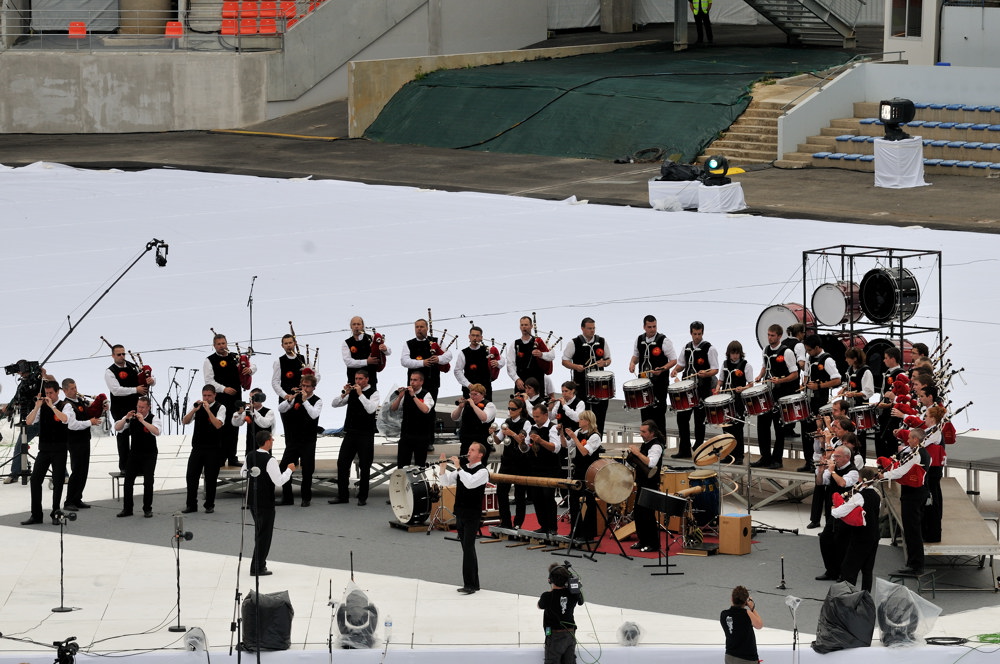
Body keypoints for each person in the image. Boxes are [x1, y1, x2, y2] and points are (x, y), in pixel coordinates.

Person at [437, 442, 490, 594]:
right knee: (467, 548)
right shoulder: (463, 469)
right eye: (469, 449)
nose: (469, 452)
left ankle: (470, 584)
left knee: (468, 547)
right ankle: (474, 583)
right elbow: (446, 482)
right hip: (460, 512)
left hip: (472, 514)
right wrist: (442, 469)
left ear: (480, 454)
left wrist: (459, 467)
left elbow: (470, 484)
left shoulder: (483, 471)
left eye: (472, 450)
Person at [243, 431, 295, 576]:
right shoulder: (270, 460)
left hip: (253, 500)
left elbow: (243, 473)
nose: (273, 440)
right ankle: (257, 567)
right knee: (264, 535)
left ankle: (259, 564)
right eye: (271, 439)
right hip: (265, 501)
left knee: (259, 532)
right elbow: (278, 481)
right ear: (266, 441)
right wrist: (289, 471)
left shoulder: (250, 455)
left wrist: (253, 473)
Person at [879, 428, 930, 574]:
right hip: (919, 493)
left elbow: (901, 471)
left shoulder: (916, 455)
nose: (907, 441)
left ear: (915, 439)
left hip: (912, 496)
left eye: (909, 438)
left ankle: (915, 565)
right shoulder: (924, 453)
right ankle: (914, 562)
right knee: (913, 529)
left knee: (911, 529)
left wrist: (883, 475)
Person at [328, 368, 379, 506]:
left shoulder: (373, 392)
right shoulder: (351, 393)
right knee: (342, 463)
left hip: (365, 434)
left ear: (367, 379)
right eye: (356, 379)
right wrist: (344, 394)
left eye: (360, 379)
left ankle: (362, 497)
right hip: (350, 433)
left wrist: (360, 394)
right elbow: (334, 404)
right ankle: (342, 495)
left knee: (365, 465)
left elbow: (371, 409)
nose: (357, 381)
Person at [21, 380, 69, 526]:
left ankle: (56, 512)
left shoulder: (64, 405)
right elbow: (28, 422)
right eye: (46, 393)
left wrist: (52, 406)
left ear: (57, 392)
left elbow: (64, 419)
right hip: (45, 449)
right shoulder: (41, 407)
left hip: (60, 449)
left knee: (58, 481)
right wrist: (37, 407)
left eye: (51, 393)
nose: (48, 395)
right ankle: (36, 515)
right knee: (35, 480)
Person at [204, 333, 254, 467]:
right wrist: (223, 389)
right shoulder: (209, 360)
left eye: (223, 343)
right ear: (214, 346)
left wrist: (249, 370)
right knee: (220, 428)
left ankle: (232, 457)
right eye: (218, 344)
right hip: (220, 399)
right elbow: (209, 381)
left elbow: (252, 366)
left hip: (236, 398)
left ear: (227, 344)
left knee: (234, 426)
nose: (221, 346)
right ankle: (219, 458)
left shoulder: (235, 357)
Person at [752, 324, 798, 469]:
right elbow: (765, 365)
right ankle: (765, 457)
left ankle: (777, 459)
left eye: (772, 335)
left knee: (779, 429)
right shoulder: (765, 350)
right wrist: (760, 375)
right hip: (767, 394)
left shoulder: (787, 352)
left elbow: (795, 374)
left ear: (779, 336)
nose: (769, 337)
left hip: (781, 393)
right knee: (762, 426)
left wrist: (781, 380)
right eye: (768, 335)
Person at [670, 321, 718, 459]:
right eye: (695, 334)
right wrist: (675, 370)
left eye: (699, 334)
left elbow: (715, 369)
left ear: (702, 333)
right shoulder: (686, 347)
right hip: (687, 390)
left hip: (702, 388)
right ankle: (684, 449)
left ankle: (698, 448)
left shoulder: (710, 348)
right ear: (691, 333)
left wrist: (706, 374)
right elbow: (681, 364)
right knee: (682, 418)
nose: (697, 337)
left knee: (699, 420)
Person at [401, 317, 452, 448]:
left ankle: (429, 440)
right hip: (414, 385)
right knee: (410, 410)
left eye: (422, 327)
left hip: (432, 383)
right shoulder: (409, 344)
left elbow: (448, 355)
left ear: (427, 328)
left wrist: (438, 359)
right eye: (417, 327)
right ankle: (408, 438)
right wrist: (422, 363)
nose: (419, 329)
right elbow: (404, 361)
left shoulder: (436, 342)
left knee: (429, 411)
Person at [831, 468, 881, 592]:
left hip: (861, 536)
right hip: (874, 535)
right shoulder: (876, 494)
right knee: (867, 570)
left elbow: (840, 512)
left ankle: (848, 597)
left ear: (860, 479)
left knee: (849, 568)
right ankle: (865, 597)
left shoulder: (859, 496)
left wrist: (833, 509)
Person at [105, 344, 152, 474]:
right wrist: (135, 390)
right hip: (120, 408)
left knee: (139, 436)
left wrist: (151, 381)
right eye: (119, 354)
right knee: (123, 437)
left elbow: (142, 378)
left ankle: (139, 465)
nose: (122, 357)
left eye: (123, 354)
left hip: (136, 406)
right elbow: (115, 390)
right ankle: (125, 466)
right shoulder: (110, 371)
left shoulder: (132, 366)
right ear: (113, 355)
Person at [276, 374, 322, 507]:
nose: (305, 388)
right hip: (293, 440)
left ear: (313, 387)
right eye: (303, 385)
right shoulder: (295, 397)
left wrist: (305, 400)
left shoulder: (317, 400)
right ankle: (287, 498)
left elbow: (314, 415)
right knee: (284, 467)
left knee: (307, 470)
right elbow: (281, 409)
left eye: (307, 386)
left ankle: (306, 498)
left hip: (308, 440)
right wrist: (290, 399)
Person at [628, 314, 677, 434]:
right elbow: (636, 356)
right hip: (643, 384)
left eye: (654, 326)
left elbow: (674, 360)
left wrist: (663, 369)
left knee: (659, 413)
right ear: (644, 327)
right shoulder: (639, 339)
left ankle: (661, 442)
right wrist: (632, 363)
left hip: (659, 383)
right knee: (645, 413)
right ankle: (647, 442)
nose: (652, 329)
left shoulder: (664, 340)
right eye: (649, 327)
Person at [816, 445, 859, 581]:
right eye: (834, 456)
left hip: (846, 512)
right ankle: (831, 570)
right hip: (833, 511)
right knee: (825, 538)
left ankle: (843, 572)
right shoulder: (832, 469)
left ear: (847, 457)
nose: (835, 459)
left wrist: (832, 471)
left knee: (842, 542)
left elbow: (843, 483)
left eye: (838, 456)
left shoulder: (853, 472)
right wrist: (821, 471)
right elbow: (820, 483)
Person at [562, 317, 612, 434]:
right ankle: (582, 437)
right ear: (582, 328)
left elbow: (608, 359)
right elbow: (564, 361)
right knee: (583, 413)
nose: (592, 331)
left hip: (599, 385)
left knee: (599, 413)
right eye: (589, 328)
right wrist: (575, 367)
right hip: (581, 384)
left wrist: (604, 363)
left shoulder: (602, 341)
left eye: (593, 328)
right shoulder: (573, 342)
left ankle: (597, 439)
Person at [113, 396, 160, 518]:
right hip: (134, 453)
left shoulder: (153, 418)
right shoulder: (132, 417)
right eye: (139, 406)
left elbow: (156, 431)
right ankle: (127, 509)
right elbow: (117, 428)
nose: (140, 409)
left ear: (148, 407)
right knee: (128, 481)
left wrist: (143, 421)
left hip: (149, 454)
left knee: (148, 481)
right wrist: (126, 419)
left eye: (143, 407)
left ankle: (147, 509)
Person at [181, 385, 226, 514]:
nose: (206, 398)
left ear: (214, 395)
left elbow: (218, 424)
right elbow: (185, 421)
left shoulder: (220, 407)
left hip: (213, 449)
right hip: (198, 447)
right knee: (191, 476)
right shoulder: (197, 406)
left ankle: (209, 504)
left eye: (209, 396)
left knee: (211, 477)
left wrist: (208, 410)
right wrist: (194, 410)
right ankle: (191, 505)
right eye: (204, 395)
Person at [800, 334, 842, 472]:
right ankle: (808, 461)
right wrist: (805, 383)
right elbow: (806, 373)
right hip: (808, 399)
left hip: (820, 400)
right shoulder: (809, 357)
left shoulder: (827, 360)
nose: (808, 352)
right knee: (806, 430)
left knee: (818, 433)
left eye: (810, 350)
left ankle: (820, 463)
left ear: (817, 347)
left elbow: (837, 380)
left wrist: (819, 386)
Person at [489, 397, 531, 530]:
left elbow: (523, 442)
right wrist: (493, 433)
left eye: (513, 409)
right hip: (507, 461)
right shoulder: (506, 422)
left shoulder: (526, 423)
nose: (510, 411)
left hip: (520, 462)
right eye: (509, 408)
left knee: (519, 494)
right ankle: (505, 521)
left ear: (520, 410)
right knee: (501, 491)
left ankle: (518, 522)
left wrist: (512, 433)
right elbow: (497, 441)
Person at [61, 378, 102, 511]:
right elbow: (73, 425)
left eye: (75, 387)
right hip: (74, 441)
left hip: (84, 439)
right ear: (65, 390)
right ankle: (69, 501)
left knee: (84, 470)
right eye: (72, 389)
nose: (75, 390)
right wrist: (90, 422)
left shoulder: (80, 401)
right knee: (77, 470)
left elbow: (90, 411)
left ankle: (77, 498)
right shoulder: (67, 405)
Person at [561, 410, 602, 542]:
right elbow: (566, 446)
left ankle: (589, 533)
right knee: (574, 500)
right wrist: (562, 434)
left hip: (589, 471)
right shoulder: (578, 432)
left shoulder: (595, 436)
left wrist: (574, 437)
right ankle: (575, 530)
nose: (579, 421)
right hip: (578, 470)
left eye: (581, 419)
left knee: (589, 501)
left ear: (587, 421)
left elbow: (585, 451)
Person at [271, 333, 319, 441]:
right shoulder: (279, 361)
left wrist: (310, 385)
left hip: (304, 399)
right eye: (286, 343)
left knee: (304, 430)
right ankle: (292, 457)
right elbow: (275, 382)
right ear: (282, 346)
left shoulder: (303, 360)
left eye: (290, 343)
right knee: (289, 431)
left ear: (295, 343)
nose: (288, 345)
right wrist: (285, 396)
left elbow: (317, 376)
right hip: (287, 401)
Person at [3, 361, 44, 483]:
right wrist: (9, 408)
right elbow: (16, 398)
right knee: (20, 446)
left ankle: (63, 475)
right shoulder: (22, 385)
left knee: (50, 448)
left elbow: (43, 384)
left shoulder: (37, 380)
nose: (17, 371)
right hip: (28, 421)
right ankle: (15, 474)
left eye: (19, 368)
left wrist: (38, 373)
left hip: (42, 419)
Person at [629, 420, 665, 552]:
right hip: (642, 483)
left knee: (648, 514)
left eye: (644, 432)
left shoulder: (656, 446)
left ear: (652, 432)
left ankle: (653, 544)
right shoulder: (646, 444)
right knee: (638, 513)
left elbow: (651, 463)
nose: (641, 434)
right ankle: (642, 540)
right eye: (640, 431)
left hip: (650, 484)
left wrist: (637, 453)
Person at [539, 564, 584, 664]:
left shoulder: (547, 596)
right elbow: (581, 601)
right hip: (570, 633)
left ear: (550, 580)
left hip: (554, 635)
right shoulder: (573, 594)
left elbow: (539, 605)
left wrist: (552, 590)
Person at [527, 403, 561, 534]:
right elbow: (525, 446)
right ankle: (543, 525)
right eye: (534, 416)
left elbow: (555, 448)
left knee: (548, 496)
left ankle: (552, 527)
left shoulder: (552, 428)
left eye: (537, 416)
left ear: (545, 415)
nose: (535, 419)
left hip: (550, 468)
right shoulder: (532, 427)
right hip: (535, 467)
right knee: (536, 497)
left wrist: (541, 441)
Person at [391, 370, 435, 467]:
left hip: (421, 436)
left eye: (415, 380)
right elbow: (393, 408)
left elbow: (425, 409)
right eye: (411, 380)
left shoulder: (426, 394)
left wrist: (413, 396)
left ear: (421, 382)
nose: (412, 382)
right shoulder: (405, 394)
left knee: (419, 465)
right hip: (406, 435)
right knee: (402, 465)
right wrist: (399, 397)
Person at [718, 341, 752, 464]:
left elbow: (750, 384)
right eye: (733, 353)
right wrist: (717, 387)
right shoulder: (725, 364)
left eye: (737, 353)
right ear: (729, 353)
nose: (735, 356)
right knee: (726, 429)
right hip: (726, 400)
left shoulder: (745, 365)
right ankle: (728, 454)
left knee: (738, 429)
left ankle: (739, 456)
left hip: (738, 401)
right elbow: (721, 380)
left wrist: (742, 388)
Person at [840, 347, 874, 461]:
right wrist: (844, 389)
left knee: (860, 435)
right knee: (850, 434)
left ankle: (861, 460)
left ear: (854, 359)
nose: (845, 360)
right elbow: (850, 383)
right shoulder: (850, 369)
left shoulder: (866, 371)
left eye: (847, 358)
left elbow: (868, 391)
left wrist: (855, 394)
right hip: (851, 406)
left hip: (860, 407)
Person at [453, 326, 503, 402]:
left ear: (481, 338)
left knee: (486, 411)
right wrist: (468, 385)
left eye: (477, 336)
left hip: (485, 389)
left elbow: (502, 359)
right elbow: (457, 371)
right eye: (473, 335)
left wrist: (497, 363)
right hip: (469, 390)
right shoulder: (463, 353)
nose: (475, 338)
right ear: (469, 337)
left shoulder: (488, 350)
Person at [508, 315, 554, 395]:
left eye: (526, 325)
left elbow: (552, 355)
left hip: (537, 382)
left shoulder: (540, 341)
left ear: (531, 326)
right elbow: (510, 364)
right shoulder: (515, 344)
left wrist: (541, 354)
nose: (524, 327)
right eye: (522, 325)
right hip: (521, 383)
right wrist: (516, 379)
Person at [342, 316, 390, 389]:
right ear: (351, 326)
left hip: (371, 380)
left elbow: (388, 352)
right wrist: (367, 362)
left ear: (363, 326)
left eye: (358, 324)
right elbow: (348, 362)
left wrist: (385, 349)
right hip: (353, 382)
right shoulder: (346, 343)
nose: (356, 327)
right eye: (354, 324)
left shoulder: (372, 338)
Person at [451, 383, 496, 457]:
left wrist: (473, 405)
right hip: (466, 442)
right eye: (471, 394)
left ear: (482, 394)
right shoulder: (466, 405)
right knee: (464, 465)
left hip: (481, 443)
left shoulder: (489, 405)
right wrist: (460, 407)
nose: (472, 396)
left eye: (475, 394)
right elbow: (454, 417)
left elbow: (484, 418)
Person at [875, 347, 904, 459]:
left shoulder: (900, 374)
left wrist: (891, 400)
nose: (884, 360)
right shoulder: (888, 372)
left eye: (886, 358)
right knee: (881, 438)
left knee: (890, 439)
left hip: (893, 412)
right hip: (885, 410)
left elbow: (902, 397)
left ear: (893, 359)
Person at [720, 586, 762, 664]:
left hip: (730, 655)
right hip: (747, 658)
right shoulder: (747, 614)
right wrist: (752, 608)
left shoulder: (724, 614)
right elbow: (759, 625)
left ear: (732, 599)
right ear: (745, 602)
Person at [231, 387, 275, 459]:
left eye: (254, 398)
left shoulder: (269, 412)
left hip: (264, 445)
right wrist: (238, 413)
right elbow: (236, 424)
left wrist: (253, 411)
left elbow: (265, 424)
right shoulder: (247, 412)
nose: (252, 400)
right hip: (250, 445)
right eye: (251, 398)